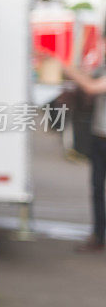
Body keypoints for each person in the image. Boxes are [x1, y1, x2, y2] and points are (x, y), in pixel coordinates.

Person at [56, 60, 106, 252]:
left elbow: (91, 87)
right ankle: (98, 236)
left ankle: (99, 236)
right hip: (98, 137)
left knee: (99, 190)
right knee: (97, 190)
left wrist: (67, 67)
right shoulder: (101, 68)